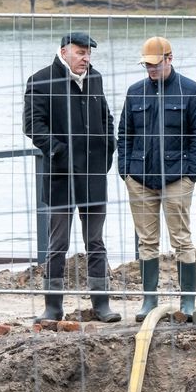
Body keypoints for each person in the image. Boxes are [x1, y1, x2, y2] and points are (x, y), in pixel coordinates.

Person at [23, 31, 119, 324]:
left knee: (96, 242)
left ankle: (101, 304)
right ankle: (53, 307)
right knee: (57, 244)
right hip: (60, 175)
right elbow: (32, 125)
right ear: (64, 51)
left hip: (93, 176)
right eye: (80, 52)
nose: (86, 58)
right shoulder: (40, 80)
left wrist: (108, 149)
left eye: (89, 52)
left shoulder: (95, 78)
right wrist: (59, 151)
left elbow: (106, 116)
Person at [118, 36, 196, 321]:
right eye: (147, 66)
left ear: (170, 58)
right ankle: (149, 300)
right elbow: (125, 134)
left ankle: (188, 301)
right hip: (140, 177)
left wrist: (191, 174)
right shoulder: (135, 92)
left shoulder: (191, 91)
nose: (151, 70)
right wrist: (125, 170)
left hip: (177, 176)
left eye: (155, 65)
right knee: (147, 240)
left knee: (181, 238)